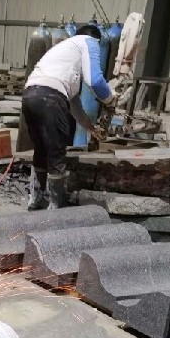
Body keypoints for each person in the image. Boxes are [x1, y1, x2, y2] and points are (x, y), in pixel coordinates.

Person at [22, 24, 117, 211]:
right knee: (57, 152)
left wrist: (90, 128)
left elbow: (74, 105)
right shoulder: (89, 41)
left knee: (41, 149)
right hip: (51, 98)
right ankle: (56, 206)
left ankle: (36, 200)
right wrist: (110, 99)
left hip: (30, 95)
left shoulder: (64, 57)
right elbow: (95, 80)